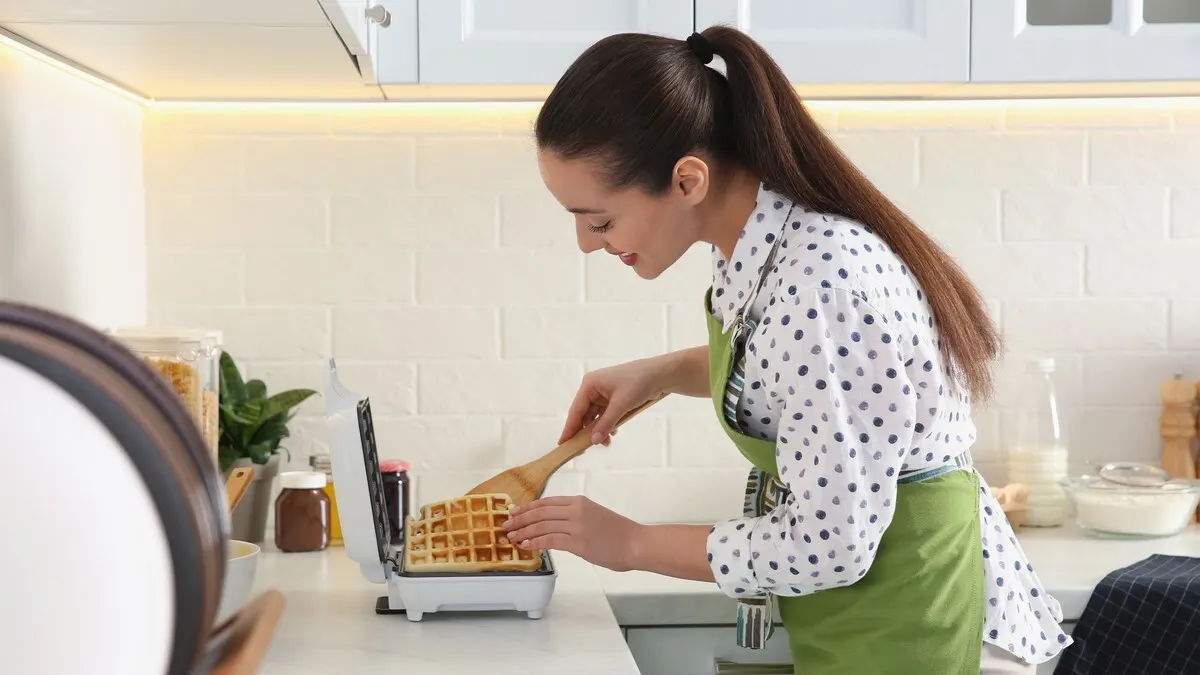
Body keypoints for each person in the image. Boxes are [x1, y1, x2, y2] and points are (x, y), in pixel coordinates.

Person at [501, 25, 1071, 674]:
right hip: (873, 615)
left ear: (687, 181)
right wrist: (660, 373)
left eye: (599, 220)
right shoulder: (762, 248)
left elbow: (831, 542)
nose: (585, 243)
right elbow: (787, 370)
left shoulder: (823, 277)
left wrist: (629, 541)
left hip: (924, 614)